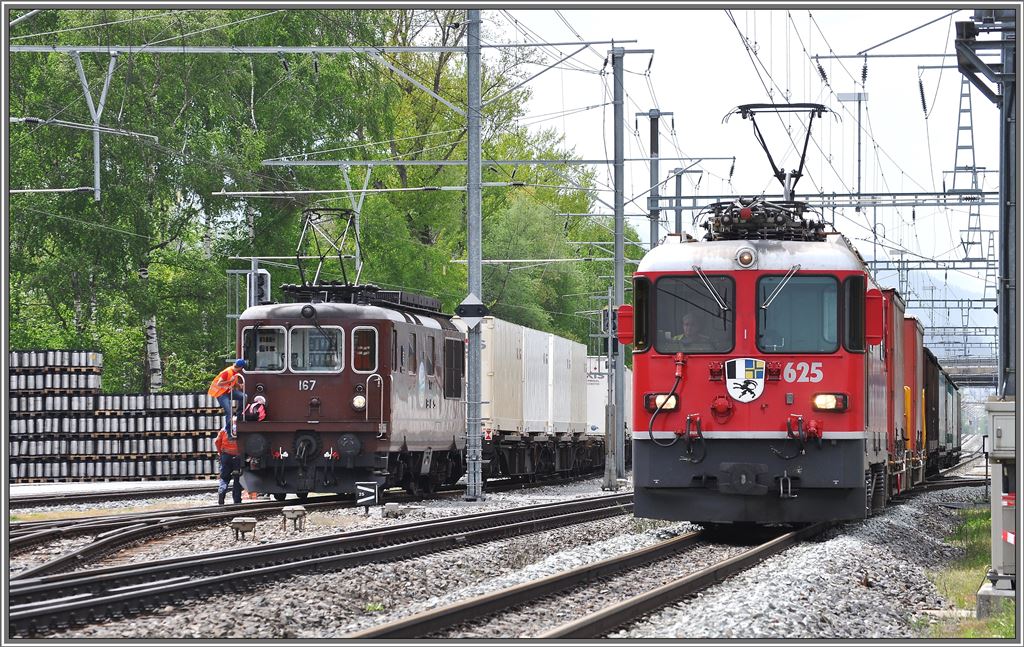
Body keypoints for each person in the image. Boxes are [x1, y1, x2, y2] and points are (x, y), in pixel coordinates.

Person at [209, 359, 246, 437]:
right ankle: (229, 432)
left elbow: (234, 384)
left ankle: (239, 415)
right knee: (229, 412)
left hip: (228, 392)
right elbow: (219, 383)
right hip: (221, 394)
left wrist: (239, 385)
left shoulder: (235, 373)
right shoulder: (227, 372)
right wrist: (229, 381)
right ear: (241, 367)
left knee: (244, 396)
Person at [215, 419, 243, 505]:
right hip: (238, 458)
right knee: (237, 479)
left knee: (224, 477)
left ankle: (222, 491)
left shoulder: (224, 430)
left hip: (226, 456)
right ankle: (237, 500)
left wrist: (220, 453)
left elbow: (217, 442)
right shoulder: (241, 431)